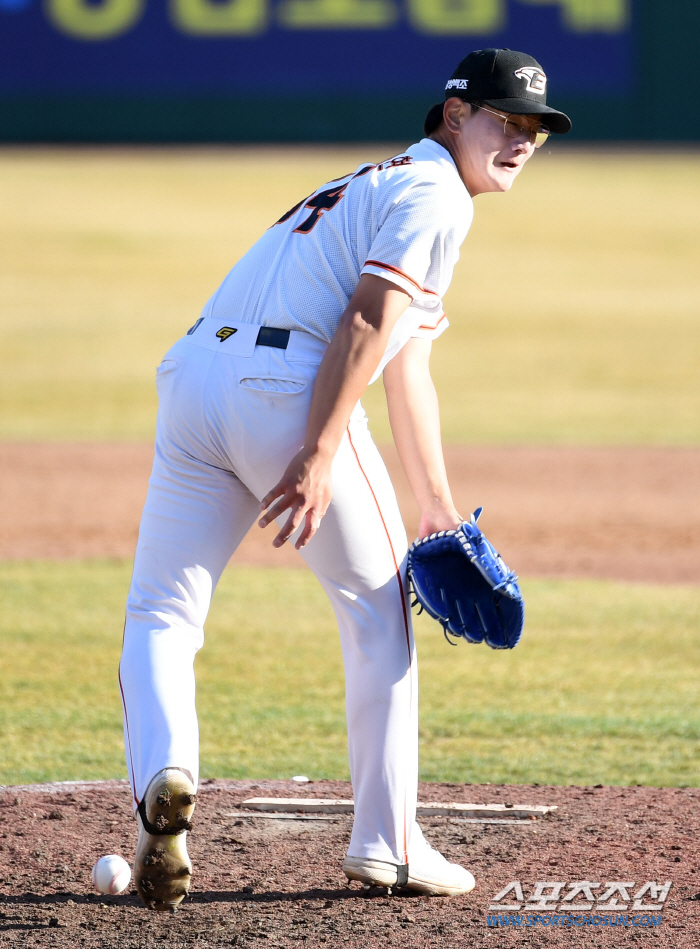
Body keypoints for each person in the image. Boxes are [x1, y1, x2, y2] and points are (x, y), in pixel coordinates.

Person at [118, 47, 571, 911]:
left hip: (192, 381)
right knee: (378, 614)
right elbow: (365, 320)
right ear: (452, 115)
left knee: (160, 615)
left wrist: (434, 509)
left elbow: (408, 366)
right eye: (504, 120)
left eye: (535, 129)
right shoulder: (438, 196)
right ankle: (389, 844)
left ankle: (164, 781)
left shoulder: (372, 183)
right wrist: (319, 451)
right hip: (287, 393)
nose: (521, 140)